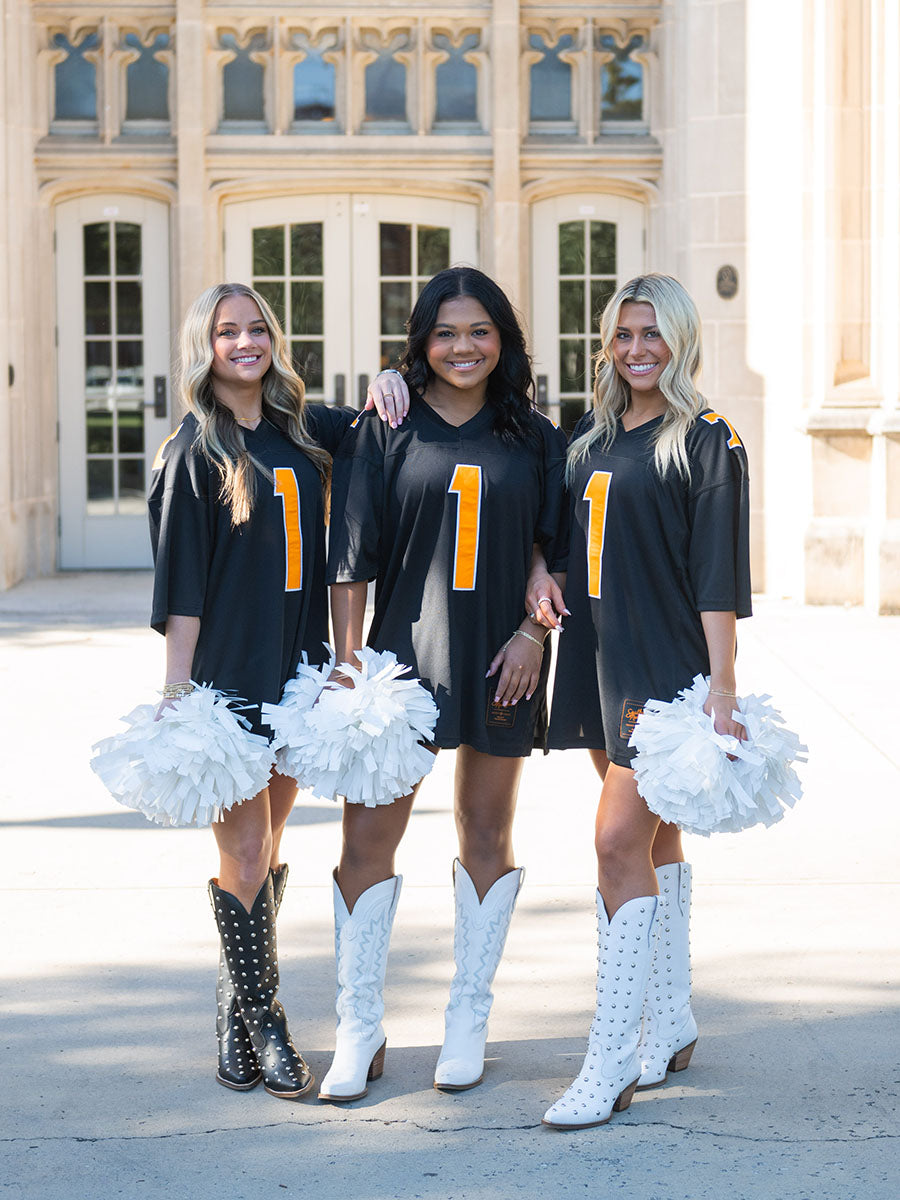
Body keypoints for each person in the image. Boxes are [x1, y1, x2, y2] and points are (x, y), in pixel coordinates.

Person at [148, 282, 406, 1100]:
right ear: (206, 345)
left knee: (270, 840)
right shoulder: (194, 450)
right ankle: (263, 1016)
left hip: (295, 675)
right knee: (249, 848)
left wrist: (390, 378)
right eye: (228, 332)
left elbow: (373, 428)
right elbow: (181, 589)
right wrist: (177, 691)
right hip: (229, 676)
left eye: (257, 328)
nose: (246, 343)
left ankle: (236, 999)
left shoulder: (301, 426)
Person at [322, 266, 567, 1102]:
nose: (464, 348)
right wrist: (348, 663)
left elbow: (553, 552)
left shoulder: (536, 437)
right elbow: (349, 557)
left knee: (486, 834)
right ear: (422, 341)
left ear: (504, 340)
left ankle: (469, 1019)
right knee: (365, 843)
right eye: (447, 332)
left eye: (481, 331)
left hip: (505, 660)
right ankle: (359, 1028)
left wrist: (536, 630)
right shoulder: (385, 423)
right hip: (399, 665)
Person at [526, 273, 751, 1129]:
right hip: (596, 660)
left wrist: (721, 691)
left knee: (615, 840)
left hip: (667, 673)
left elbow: (719, 579)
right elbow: (555, 536)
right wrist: (541, 579)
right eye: (623, 335)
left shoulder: (706, 440)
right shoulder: (589, 438)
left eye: (652, 334)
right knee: (654, 837)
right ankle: (673, 1020)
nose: (637, 350)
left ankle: (611, 1059)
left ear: (682, 339)